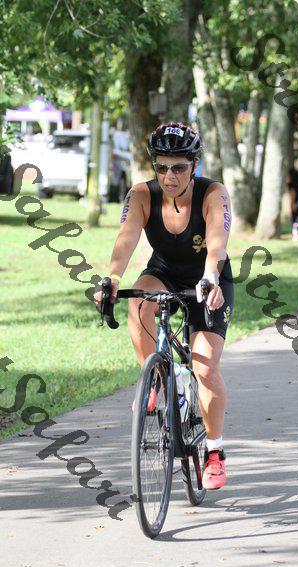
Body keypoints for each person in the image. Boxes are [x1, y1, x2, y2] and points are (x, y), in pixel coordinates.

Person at [94, 122, 234, 490]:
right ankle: (155, 379)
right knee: (140, 303)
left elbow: (217, 241)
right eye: (161, 167)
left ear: (194, 166)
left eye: (179, 168)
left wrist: (210, 276)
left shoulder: (213, 193)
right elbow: (126, 238)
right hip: (165, 272)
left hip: (209, 277)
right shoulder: (141, 194)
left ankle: (215, 452)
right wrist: (112, 277)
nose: (169, 176)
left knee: (205, 367)